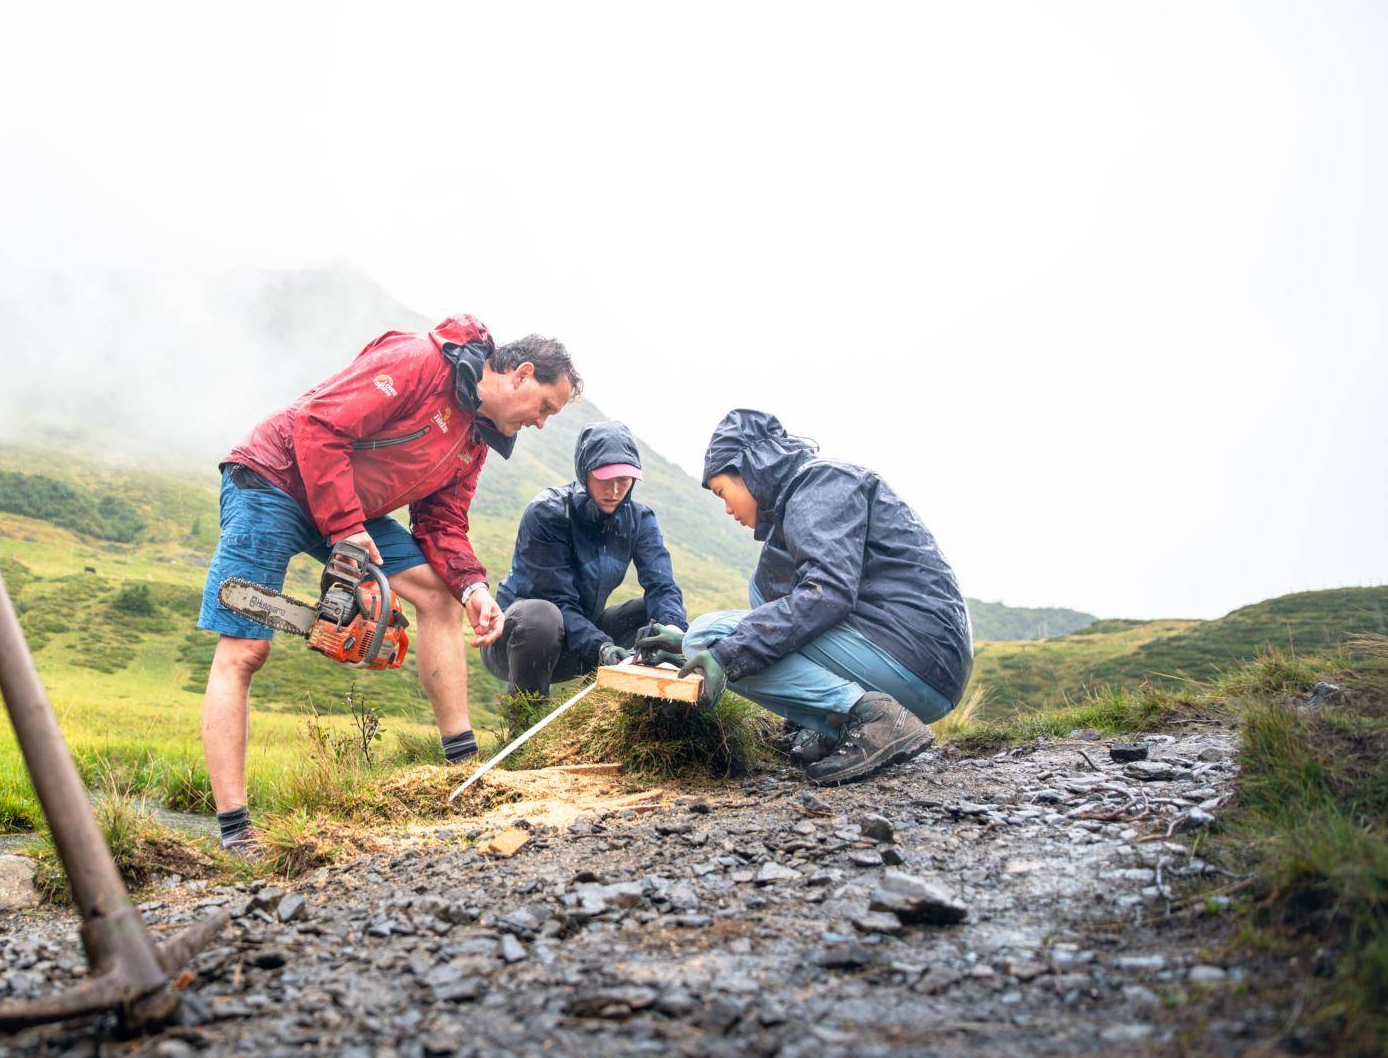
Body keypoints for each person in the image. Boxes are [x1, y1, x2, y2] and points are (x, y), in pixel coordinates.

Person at [199, 315, 580, 850]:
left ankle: (462, 770)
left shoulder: (474, 439)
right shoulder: (418, 362)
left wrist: (473, 587)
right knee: (243, 651)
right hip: (275, 478)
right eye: (545, 407)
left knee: (441, 594)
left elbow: (441, 524)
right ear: (520, 375)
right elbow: (317, 425)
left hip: (347, 504)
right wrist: (348, 529)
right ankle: (236, 832)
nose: (542, 422)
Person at [638, 409, 972, 785]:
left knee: (708, 634)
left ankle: (874, 717)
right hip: (919, 665)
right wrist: (685, 649)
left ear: (750, 467)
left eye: (722, 493)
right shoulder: (810, 495)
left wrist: (719, 652)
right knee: (762, 588)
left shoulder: (820, 485)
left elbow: (826, 593)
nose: (728, 509)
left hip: (911, 657)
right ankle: (830, 726)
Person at [483, 420, 687, 696]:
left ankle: (608, 713)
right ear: (585, 471)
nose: (614, 490)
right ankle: (523, 723)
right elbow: (558, 600)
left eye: (623, 479)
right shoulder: (548, 513)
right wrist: (601, 646)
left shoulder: (640, 520)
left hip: (578, 638)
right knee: (543, 616)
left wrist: (672, 632)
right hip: (516, 641)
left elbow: (662, 587)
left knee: (651, 618)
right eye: (604, 478)